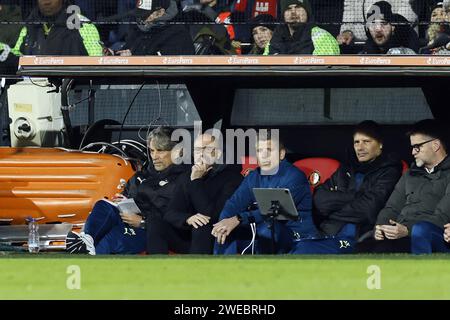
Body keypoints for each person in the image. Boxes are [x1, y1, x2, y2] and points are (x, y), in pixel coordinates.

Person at [66, 127, 187, 255]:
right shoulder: (142, 175)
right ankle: (86, 241)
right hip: (126, 219)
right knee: (103, 205)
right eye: (152, 151)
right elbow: (126, 194)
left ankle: (87, 254)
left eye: (160, 151)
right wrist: (121, 200)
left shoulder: (185, 179)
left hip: (152, 231)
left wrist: (143, 222)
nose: (154, 156)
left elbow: (176, 216)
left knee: (112, 239)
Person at [291, 121, 402, 254]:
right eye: (356, 142)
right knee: (289, 242)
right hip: (327, 231)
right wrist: (358, 197)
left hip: (358, 237)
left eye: (366, 141)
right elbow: (319, 200)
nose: (360, 147)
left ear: (380, 144)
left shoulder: (390, 170)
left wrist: (333, 209)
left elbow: (369, 210)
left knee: (302, 250)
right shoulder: (347, 168)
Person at [212, 130, 318, 254]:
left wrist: (239, 219)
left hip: (298, 235)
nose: (264, 155)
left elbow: (276, 210)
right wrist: (224, 222)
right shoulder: (254, 176)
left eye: (269, 150)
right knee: (225, 229)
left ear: (281, 154)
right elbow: (234, 203)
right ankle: (219, 268)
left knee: (267, 230)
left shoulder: (294, 176)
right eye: (259, 151)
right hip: (263, 228)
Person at [146, 132, 242, 254]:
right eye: (197, 150)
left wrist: (196, 181)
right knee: (155, 221)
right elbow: (170, 212)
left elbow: (214, 216)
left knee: (202, 226)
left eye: (206, 149)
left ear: (217, 153)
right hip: (188, 236)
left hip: (214, 237)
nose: (200, 154)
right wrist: (188, 218)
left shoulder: (232, 178)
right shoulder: (187, 177)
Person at [373, 119, 450, 254]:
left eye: (417, 147)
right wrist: (381, 228)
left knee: (421, 230)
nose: (413, 152)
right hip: (403, 233)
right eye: (412, 147)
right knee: (368, 243)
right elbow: (391, 208)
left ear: (436, 145)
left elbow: (442, 217)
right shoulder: (410, 174)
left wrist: (407, 229)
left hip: (433, 235)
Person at [11, 0, 102, 56]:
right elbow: (17, 57)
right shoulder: (29, 27)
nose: (47, 2)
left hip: (73, 85)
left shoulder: (82, 24)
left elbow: (97, 59)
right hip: (32, 85)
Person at [117, 0, 194, 56]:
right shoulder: (139, 31)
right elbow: (124, 51)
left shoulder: (178, 35)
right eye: (138, 14)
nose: (140, 19)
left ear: (160, 13)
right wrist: (113, 54)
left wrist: (133, 58)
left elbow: (161, 67)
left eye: (144, 15)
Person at [266, 0, 340, 55]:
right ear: (283, 15)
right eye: (288, 9)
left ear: (307, 12)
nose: (293, 12)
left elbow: (324, 70)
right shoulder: (274, 39)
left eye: (298, 7)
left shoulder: (323, 37)